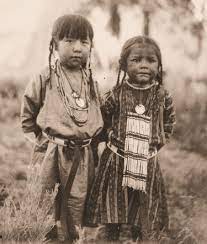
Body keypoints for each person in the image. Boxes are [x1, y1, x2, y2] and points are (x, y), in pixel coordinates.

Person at [20, 14, 103, 242]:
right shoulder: (46, 77)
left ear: (90, 46)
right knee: (47, 198)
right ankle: (45, 237)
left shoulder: (91, 80)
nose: (77, 48)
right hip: (52, 152)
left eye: (84, 42)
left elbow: (97, 117)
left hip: (83, 156)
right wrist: (42, 141)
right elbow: (28, 112)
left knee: (78, 200)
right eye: (69, 41)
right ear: (54, 45)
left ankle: (73, 238)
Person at [86, 36, 176, 242]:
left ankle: (138, 238)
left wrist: (154, 145)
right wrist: (105, 143)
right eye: (136, 60)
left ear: (159, 65)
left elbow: (168, 124)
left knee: (143, 216)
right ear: (124, 65)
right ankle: (109, 237)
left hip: (147, 163)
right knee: (112, 211)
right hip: (117, 161)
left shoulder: (162, 96)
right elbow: (102, 120)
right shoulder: (116, 94)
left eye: (150, 60)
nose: (144, 65)